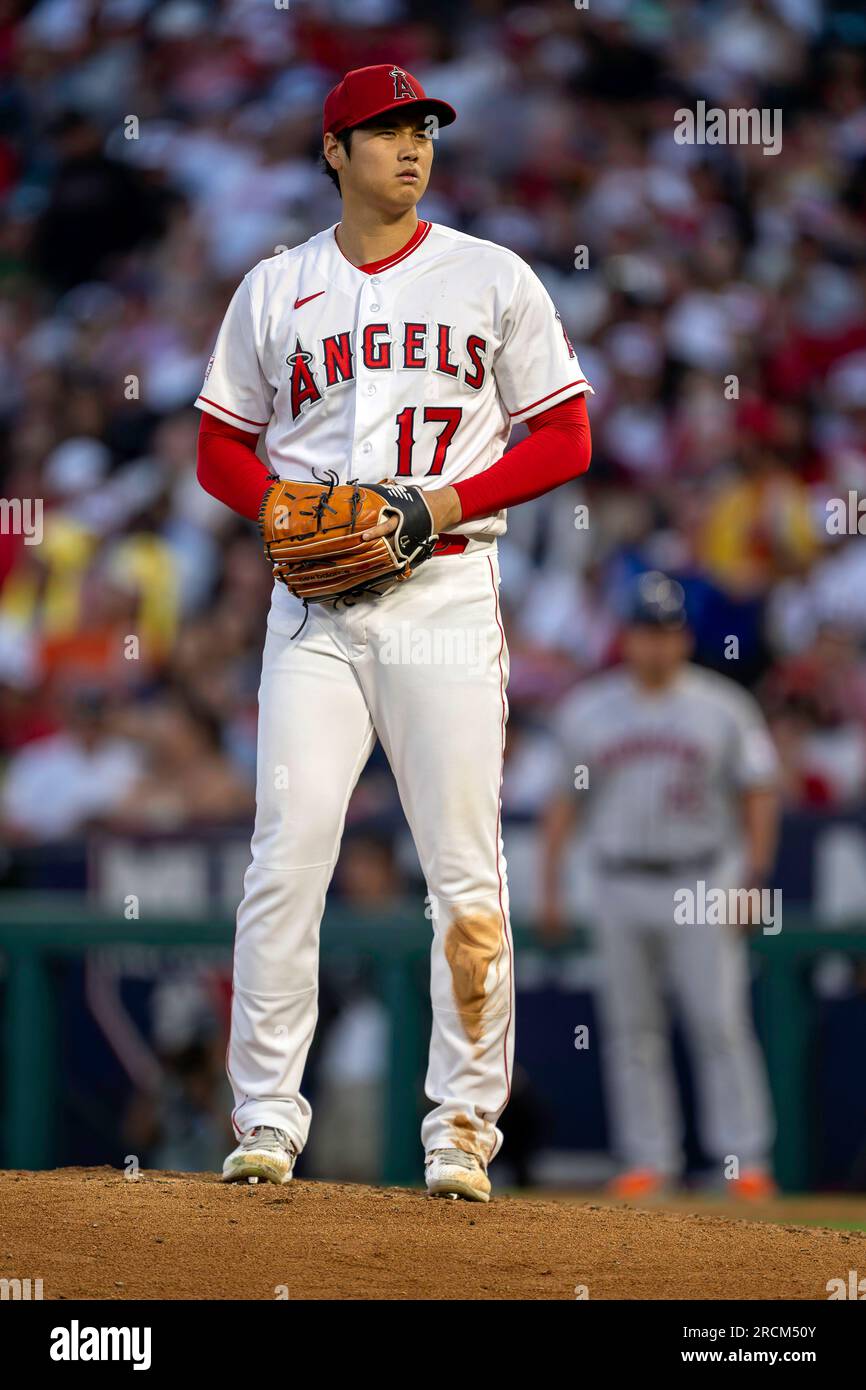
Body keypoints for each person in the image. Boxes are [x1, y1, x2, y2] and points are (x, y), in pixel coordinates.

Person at [194, 64, 593, 1201]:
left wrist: (443, 503)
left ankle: (460, 1130)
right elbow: (221, 446)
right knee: (288, 852)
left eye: (421, 129)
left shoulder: (490, 275)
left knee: (465, 873)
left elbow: (562, 436)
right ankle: (265, 1123)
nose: (411, 147)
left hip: (444, 591)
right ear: (334, 150)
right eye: (384, 131)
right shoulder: (276, 288)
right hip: (315, 606)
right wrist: (271, 504)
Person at [540, 572, 780, 1199]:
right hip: (617, 878)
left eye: (667, 632)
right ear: (627, 637)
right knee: (630, 1029)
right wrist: (551, 887)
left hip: (701, 874)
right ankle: (649, 1160)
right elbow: (562, 806)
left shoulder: (723, 705)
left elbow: (759, 793)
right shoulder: (588, 708)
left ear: (685, 638)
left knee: (718, 1021)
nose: (656, 644)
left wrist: (754, 875)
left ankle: (745, 1160)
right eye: (646, 631)